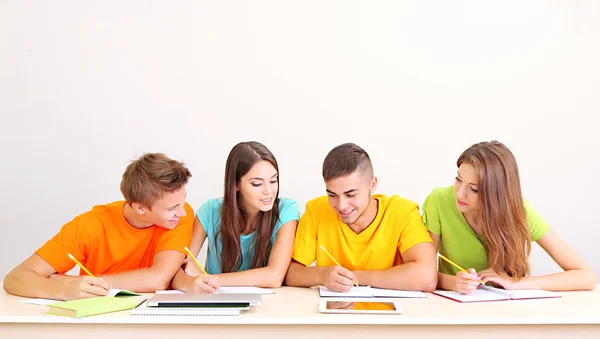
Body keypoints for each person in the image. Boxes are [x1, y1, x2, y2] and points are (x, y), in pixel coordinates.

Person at [3, 153, 194, 300]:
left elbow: (158, 279)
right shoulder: (89, 225)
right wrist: (63, 289)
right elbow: (15, 278)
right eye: (172, 208)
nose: (183, 212)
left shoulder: (178, 218)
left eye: (182, 202)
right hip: (98, 320)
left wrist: (75, 281)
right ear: (140, 208)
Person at [423, 140, 596, 294]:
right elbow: (424, 273)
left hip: (508, 311)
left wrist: (516, 283)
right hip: (451, 308)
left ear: (496, 193)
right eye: (458, 179)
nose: (460, 193)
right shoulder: (438, 201)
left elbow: (586, 276)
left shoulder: (520, 212)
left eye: (474, 189)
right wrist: (453, 282)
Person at [285, 143, 437, 292]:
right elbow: (290, 273)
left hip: (389, 315)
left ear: (372, 184)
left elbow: (427, 277)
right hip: (334, 315)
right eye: (332, 195)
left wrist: (354, 277)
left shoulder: (402, 212)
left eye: (351, 195)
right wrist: (322, 275)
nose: (342, 205)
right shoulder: (317, 210)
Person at [172, 141, 300, 293]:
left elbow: (274, 276)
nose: (269, 191)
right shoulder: (210, 211)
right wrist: (190, 281)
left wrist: (209, 278)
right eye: (257, 184)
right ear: (235, 184)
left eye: (273, 181)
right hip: (214, 301)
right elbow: (180, 267)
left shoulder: (287, 210)